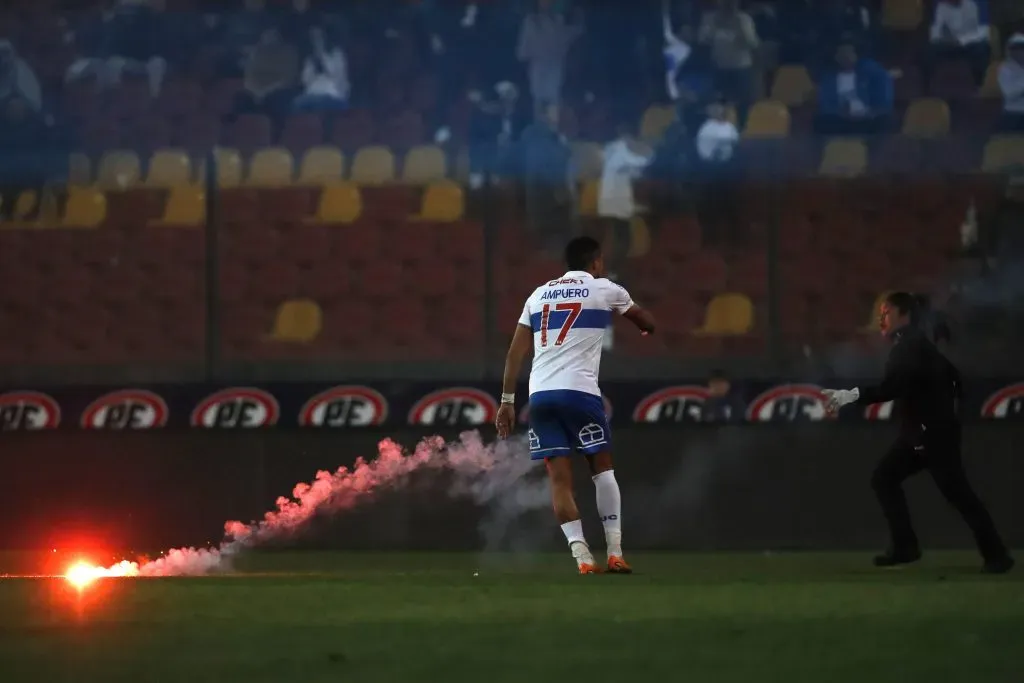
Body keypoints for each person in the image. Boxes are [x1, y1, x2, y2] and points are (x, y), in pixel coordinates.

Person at [494, 236, 656, 575]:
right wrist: (645, 326)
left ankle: (582, 556)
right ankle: (614, 552)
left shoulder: (537, 295)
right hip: (580, 393)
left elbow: (514, 353)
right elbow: (645, 322)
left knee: (559, 481)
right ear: (596, 262)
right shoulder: (604, 289)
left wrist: (507, 402)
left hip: (540, 396)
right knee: (602, 471)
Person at [822, 292, 1013, 574]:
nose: (881, 318)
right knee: (886, 479)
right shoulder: (916, 344)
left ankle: (994, 555)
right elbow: (954, 380)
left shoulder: (909, 347)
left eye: (886, 312)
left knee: (956, 494)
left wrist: (847, 396)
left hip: (930, 435)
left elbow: (890, 388)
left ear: (904, 315)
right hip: (925, 433)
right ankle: (906, 547)